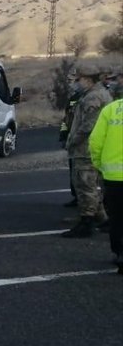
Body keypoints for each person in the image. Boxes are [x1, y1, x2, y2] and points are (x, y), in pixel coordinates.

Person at [63, 67, 112, 238]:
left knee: (85, 185)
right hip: (88, 147)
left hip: (85, 148)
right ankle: (102, 219)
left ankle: (87, 222)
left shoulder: (93, 97)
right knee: (88, 185)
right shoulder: (95, 94)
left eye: (79, 79)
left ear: (88, 79)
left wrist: (72, 141)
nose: (76, 83)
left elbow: (88, 125)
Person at [89, 94, 123, 273]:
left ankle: (119, 252)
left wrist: (98, 164)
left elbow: (95, 141)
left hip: (113, 175)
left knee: (117, 217)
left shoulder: (110, 109)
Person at [59, 72, 85, 208]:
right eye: (68, 80)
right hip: (71, 137)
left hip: (81, 139)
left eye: (72, 80)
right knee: (73, 170)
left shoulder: (86, 98)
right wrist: (63, 135)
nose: (70, 83)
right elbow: (66, 119)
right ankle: (76, 196)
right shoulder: (72, 98)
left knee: (82, 172)